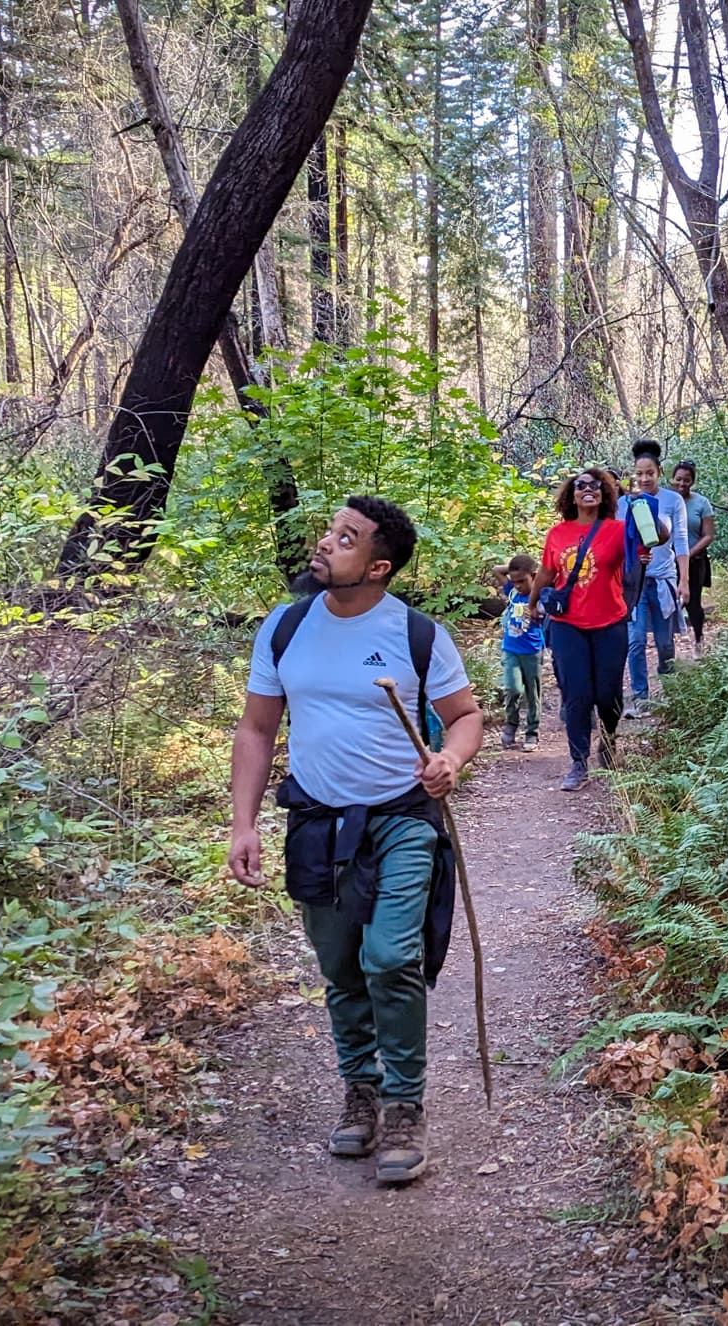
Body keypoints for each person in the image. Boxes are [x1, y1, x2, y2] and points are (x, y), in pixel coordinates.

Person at [227, 496, 485, 1187]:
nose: (325, 543)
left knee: (391, 955)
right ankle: (360, 1091)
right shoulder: (285, 629)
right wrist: (243, 823)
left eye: (346, 538)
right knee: (341, 966)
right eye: (329, 531)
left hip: (401, 819)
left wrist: (451, 760)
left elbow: (464, 718)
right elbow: (256, 731)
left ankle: (404, 1104)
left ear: (378, 566)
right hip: (317, 822)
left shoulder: (417, 634)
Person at [536, 468, 630, 792]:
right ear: (571, 495)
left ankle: (608, 740)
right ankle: (579, 761)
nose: (588, 489)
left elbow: (656, 536)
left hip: (610, 622)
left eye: (595, 486)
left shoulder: (618, 530)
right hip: (567, 625)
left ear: (604, 494)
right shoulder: (557, 534)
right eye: (580, 486)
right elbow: (546, 574)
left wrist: (646, 506)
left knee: (608, 694)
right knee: (576, 695)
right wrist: (533, 603)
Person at [616, 440, 688, 708]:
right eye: (639, 473)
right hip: (633, 583)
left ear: (659, 472)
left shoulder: (673, 500)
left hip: (663, 579)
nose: (644, 478)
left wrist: (685, 580)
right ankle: (640, 695)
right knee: (634, 641)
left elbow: (680, 541)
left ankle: (668, 687)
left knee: (664, 642)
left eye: (649, 473)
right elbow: (617, 543)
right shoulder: (624, 503)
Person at [497, 554, 544, 751]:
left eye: (522, 581)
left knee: (533, 693)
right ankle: (511, 725)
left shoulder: (541, 595)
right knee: (512, 688)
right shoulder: (512, 592)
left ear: (533, 576)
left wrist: (535, 571)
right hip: (511, 649)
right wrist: (517, 567)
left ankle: (532, 732)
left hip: (532, 651)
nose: (517, 585)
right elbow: (497, 570)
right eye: (514, 581)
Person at [671, 459, 715, 648]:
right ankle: (668, 644)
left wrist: (687, 553)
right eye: (678, 479)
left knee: (693, 602)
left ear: (692, 481)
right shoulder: (666, 500)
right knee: (667, 602)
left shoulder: (701, 503)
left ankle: (698, 639)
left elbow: (708, 535)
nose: (682, 484)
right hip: (668, 562)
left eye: (686, 480)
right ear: (673, 479)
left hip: (695, 561)